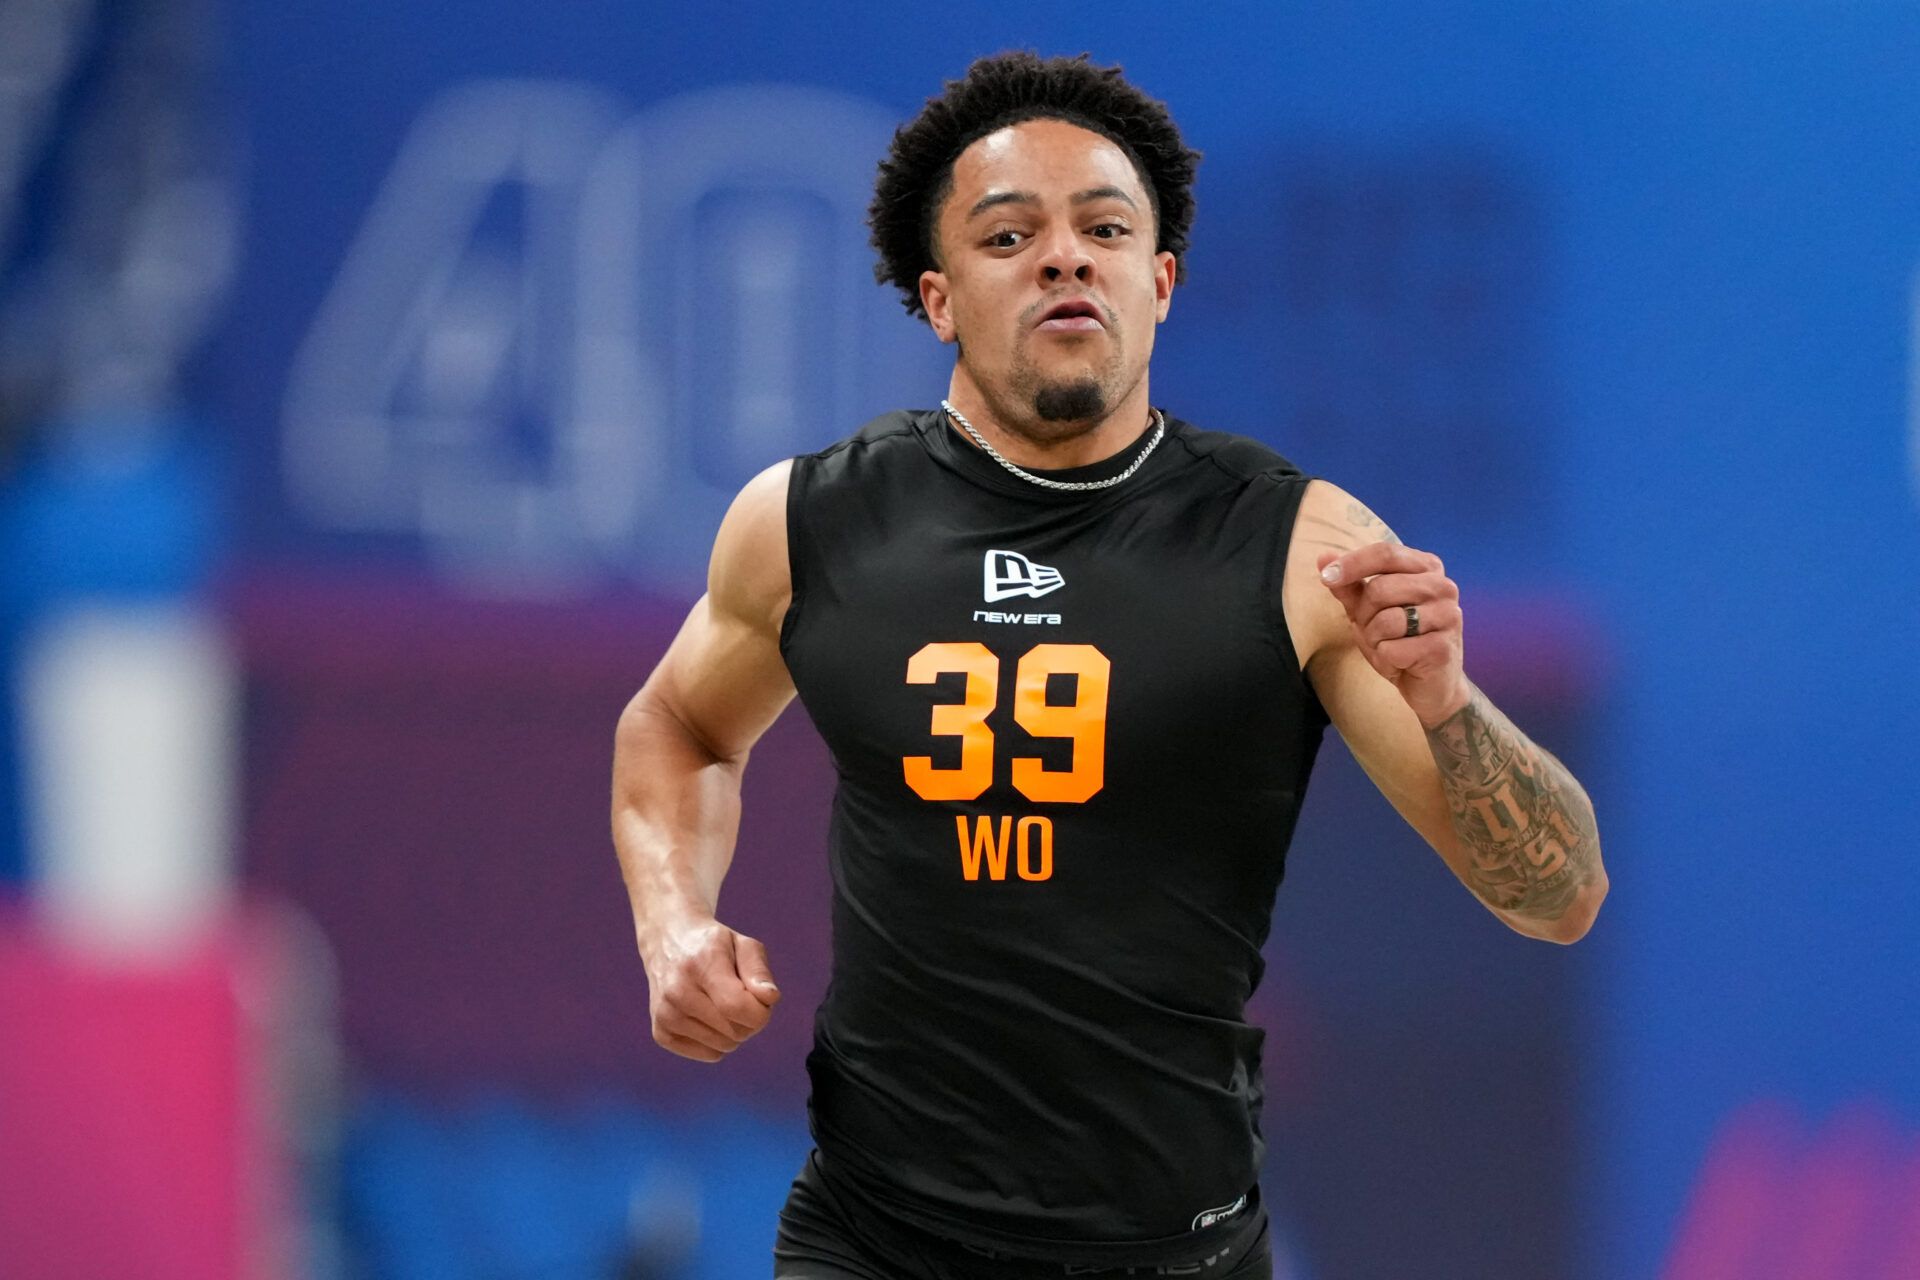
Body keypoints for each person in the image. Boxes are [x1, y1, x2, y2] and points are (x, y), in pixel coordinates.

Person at [610, 51, 1608, 1280]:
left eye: (1105, 228)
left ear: (1162, 281)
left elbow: (1557, 896)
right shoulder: (811, 520)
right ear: (938, 298)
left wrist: (1449, 704)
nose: (1065, 256)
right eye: (1008, 233)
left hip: (1167, 1249)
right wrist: (673, 926)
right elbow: (675, 725)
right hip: (872, 1239)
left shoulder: (1300, 547)